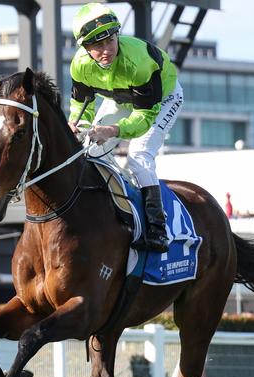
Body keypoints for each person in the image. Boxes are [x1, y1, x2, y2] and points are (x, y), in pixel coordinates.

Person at [68, 3, 183, 252]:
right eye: (97, 46)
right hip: (120, 98)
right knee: (89, 151)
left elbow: (144, 118)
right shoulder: (79, 65)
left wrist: (112, 131)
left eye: (110, 40)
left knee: (138, 156)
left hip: (161, 101)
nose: (106, 50)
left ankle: (157, 228)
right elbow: (81, 106)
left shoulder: (138, 62)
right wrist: (76, 125)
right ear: (85, 48)